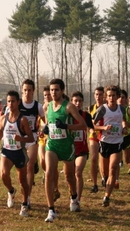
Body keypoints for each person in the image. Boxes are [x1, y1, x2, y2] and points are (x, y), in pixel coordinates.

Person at [42, 78, 86, 222]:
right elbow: (48, 123)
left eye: (56, 90)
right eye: (51, 90)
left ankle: (74, 197)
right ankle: (51, 210)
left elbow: (82, 125)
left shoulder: (69, 107)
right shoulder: (46, 106)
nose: (53, 92)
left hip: (67, 147)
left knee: (69, 177)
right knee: (49, 173)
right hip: (52, 145)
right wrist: (46, 128)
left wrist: (66, 127)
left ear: (62, 91)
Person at [0, 90, 34, 217]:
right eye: (9, 101)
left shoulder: (23, 120)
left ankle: (24, 203)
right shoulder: (3, 118)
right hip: (6, 150)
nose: (10, 104)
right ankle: (11, 191)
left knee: (22, 180)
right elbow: (0, 130)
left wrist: (21, 139)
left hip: (19, 152)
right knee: (4, 174)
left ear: (18, 102)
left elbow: (31, 138)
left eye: (13, 101)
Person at [93, 85, 128, 207]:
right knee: (105, 173)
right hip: (104, 142)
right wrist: (103, 128)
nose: (111, 98)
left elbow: (123, 120)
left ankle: (106, 197)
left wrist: (124, 127)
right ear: (106, 97)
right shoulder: (102, 109)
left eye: (113, 96)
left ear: (117, 97)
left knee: (113, 169)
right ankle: (105, 180)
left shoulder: (122, 109)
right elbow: (93, 125)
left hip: (117, 143)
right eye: (109, 96)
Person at [17, 79, 45, 209]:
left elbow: (46, 121)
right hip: (18, 139)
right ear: (22, 91)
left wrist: (42, 130)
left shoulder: (38, 106)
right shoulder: (17, 104)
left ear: (33, 91)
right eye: (25, 90)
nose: (27, 93)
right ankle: (17, 191)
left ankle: (27, 198)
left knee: (29, 166)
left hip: (32, 138)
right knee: (20, 170)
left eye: (29, 90)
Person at [71, 91, 94, 210]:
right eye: (75, 101)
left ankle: (77, 201)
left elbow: (90, 127)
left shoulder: (86, 115)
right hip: (69, 151)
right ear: (71, 102)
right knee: (69, 176)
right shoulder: (68, 116)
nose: (78, 103)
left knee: (78, 172)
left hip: (82, 151)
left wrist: (91, 131)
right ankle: (73, 196)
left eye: (80, 101)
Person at [117, 89, 130, 188]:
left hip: (126, 137)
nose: (120, 99)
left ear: (126, 99)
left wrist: (124, 122)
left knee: (127, 159)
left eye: (123, 97)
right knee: (117, 158)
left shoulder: (129, 110)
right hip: (116, 137)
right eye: (119, 97)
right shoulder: (113, 109)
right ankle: (116, 179)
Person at [88, 86, 104, 192]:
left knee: (103, 160)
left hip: (104, 136)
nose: (98, 96)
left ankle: (104, 177)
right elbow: (88, 124)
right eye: (96, 94)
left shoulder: (107, 108)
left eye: (100, 94)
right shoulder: (91, 108)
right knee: (93, 159)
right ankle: (94, 184)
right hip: (93, 136)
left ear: (104, 96)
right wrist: (91, 131)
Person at [38, 85, 52, 183]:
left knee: (50, 161)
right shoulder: (41, 107)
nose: (47, 97)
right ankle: (45, 171)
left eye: (48, 95)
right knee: (42, 160)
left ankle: (50, 176)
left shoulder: (54, 107)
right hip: (42, 138)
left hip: (52, 138)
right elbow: (38, 122)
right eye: (45, 95)